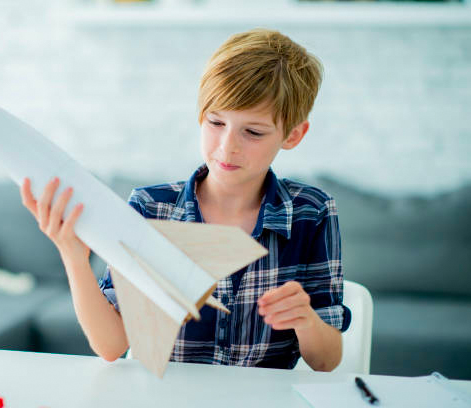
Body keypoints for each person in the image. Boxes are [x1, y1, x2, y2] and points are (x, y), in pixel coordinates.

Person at [19, 28, 351, 372]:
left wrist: (306, 320)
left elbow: (325, 361)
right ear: (200, 115)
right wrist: (73, 255)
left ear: (293, 135)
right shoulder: (151, 208)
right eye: (216, 122)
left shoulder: (312, 212)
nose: (227, 146)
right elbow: (111, 345)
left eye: (252, 132)